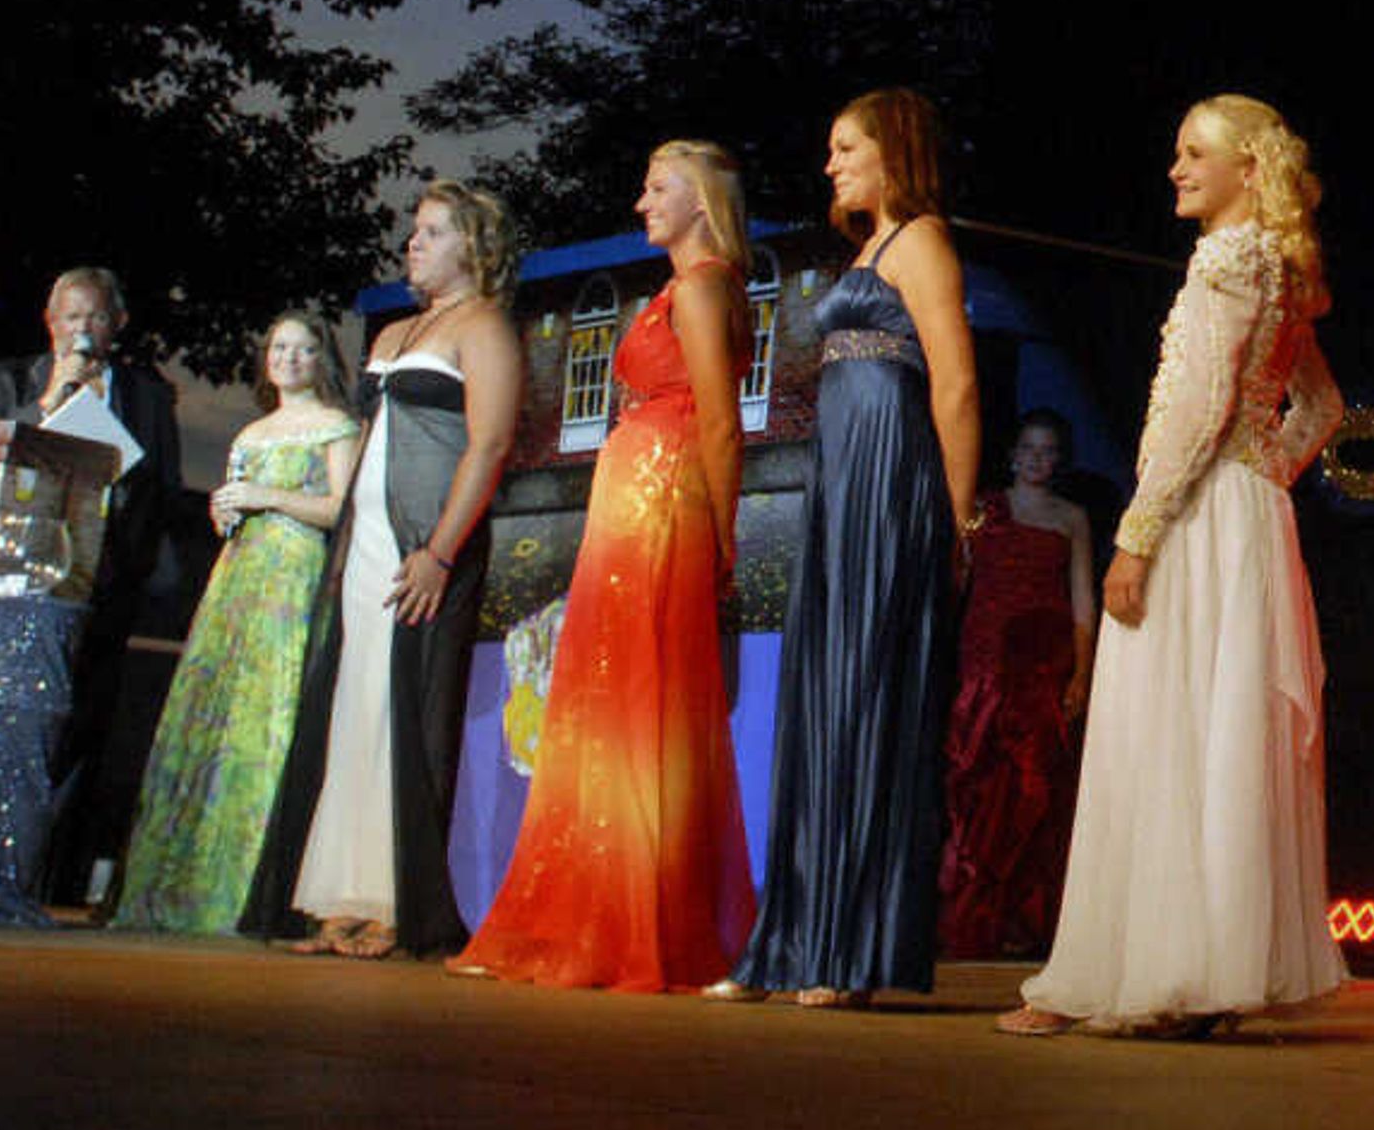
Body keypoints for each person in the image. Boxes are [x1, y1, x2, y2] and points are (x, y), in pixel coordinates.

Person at [1004, 96, 1344, 1037]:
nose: (1176, 170)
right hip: (1246, 515)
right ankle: (1199, 974)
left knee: (1163, 733)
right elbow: (1318, 408)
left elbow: (1197, 409)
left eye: (1195, 154)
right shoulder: (1278, 267)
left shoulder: (1230, 259)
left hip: (1198, 518)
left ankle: (1146, 977)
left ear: (1245, 170)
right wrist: (1264, 472)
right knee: (1214, 736)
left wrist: (1139, 533)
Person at [453, 143, 760, 991]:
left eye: (658, 188)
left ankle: (637, 919)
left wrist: (722, 539)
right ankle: (583, 911)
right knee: (605, 706)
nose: (641, 202)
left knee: (643, 709)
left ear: (701, 200)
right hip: (629, 509)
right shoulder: (681, 288)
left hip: (662, 509)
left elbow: (723, 425)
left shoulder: (702, 289)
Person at [714, 91, 980, 1009]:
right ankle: (797, 939)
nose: (831, 164)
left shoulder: (924, 242)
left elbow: (955, 384)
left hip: (890, 484)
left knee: (868, 694)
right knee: (822, 698)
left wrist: (953, 517)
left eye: (845, 147)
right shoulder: (863, 252)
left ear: (891, 150)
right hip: (836, 484)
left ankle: (852, 949)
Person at [246, 182, 523, 960]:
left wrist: (439, 550)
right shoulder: (395, 331)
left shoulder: (484, 326)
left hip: (425, 545)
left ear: (472, 245)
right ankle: (339, 895)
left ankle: (401, 905)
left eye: (432, 232)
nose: (414, 243)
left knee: (413, 717)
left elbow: (490, 444)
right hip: (364, 541)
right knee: (354, 710)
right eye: (415, 231)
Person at [109, 315, 356, 933]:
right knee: (212, 714)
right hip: (237, 580)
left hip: (292, 578)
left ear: (323, 359)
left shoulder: (337, 426)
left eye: (304, 349)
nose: (290, 359)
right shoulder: (250, 432)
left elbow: (339, 510)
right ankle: (180, 882)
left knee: (269, 710)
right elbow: (234, 505)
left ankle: (251, 883)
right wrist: (227, 509)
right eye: (279, 347)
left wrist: (265, 499)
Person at [0, 263, 187, 903]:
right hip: (16, 590)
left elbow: (161, 491)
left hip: (105, 589)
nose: (80, 329)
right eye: (69, 316)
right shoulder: (0, 381)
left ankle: (52, 882)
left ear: (116, 324)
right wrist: (49, 401)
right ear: (48, 320)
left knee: (84, 730)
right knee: (13, 726)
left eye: (93, 316)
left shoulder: (147, 395)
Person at [937, 408, 1098, 959]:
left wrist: (1081, 670)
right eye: (1028, 448)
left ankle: (1023, 922)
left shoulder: (1072, 517)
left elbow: (1083, 600)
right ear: (1012, 454)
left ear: (1058, 459)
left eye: (1047, 450)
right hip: (983, 657)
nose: (1036, 459)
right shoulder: (983, 508)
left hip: (1042, 664)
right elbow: (955, 576)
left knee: (1032, 791)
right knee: (975, 780)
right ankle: (968, 917)